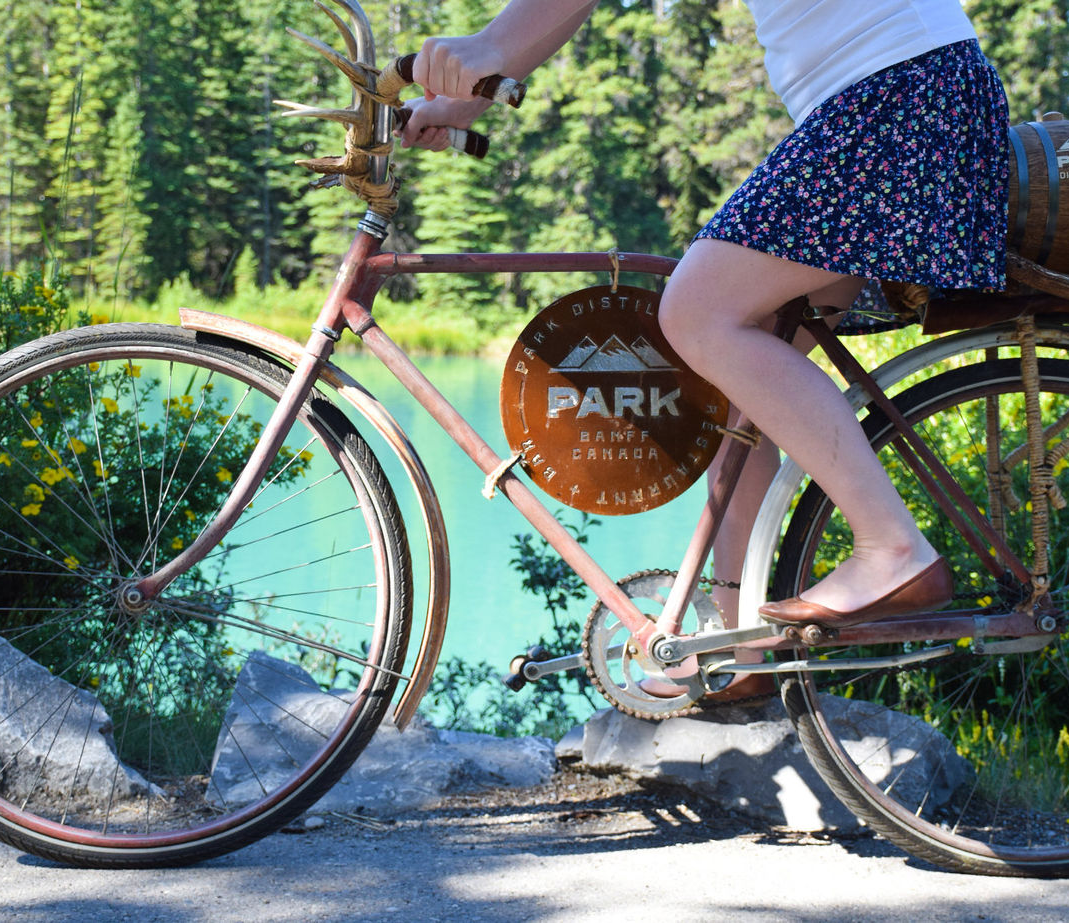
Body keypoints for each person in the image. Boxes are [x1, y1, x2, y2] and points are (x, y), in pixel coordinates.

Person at [402, 0, 1009, 698]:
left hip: (899, 98)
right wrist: (465, 97)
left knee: (697, 315)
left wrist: (488, 46)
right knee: (739, 380)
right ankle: (738, 647)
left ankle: (892, 547)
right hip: (897, 98)